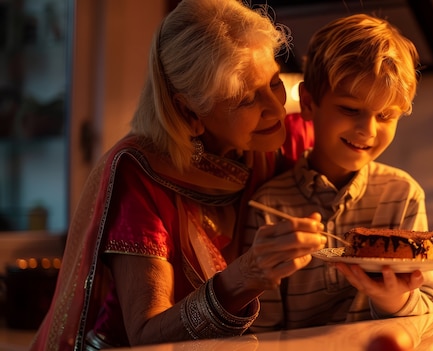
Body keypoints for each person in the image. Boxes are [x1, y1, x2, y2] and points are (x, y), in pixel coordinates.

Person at [30, 0, 324, 349]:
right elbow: (144, 332)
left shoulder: (286, 141)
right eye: (247, 99)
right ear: (189, 111)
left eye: (275, 82)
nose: (277, 108)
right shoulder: (142, 175)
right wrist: (246, 277)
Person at [244, 13, 433, 332]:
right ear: (309, 103)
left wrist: (393, 300)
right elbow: (259, 331)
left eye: (385, 115)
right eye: (350, 109)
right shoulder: (271, 204)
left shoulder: (402, 195)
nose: (367, 130)